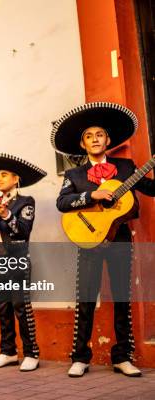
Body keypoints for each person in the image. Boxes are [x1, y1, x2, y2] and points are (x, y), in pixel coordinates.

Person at [53, 102, 155, 378]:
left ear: (108, 140)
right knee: (86, 299)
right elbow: (62, 203)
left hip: (119, 239)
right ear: (83, 144)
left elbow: (150, 189)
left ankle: (122, 357)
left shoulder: (126, 167)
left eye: (100, 134)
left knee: (122, 297)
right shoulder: (73, 174)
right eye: (89, 136)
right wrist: (90, 196)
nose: (95, 139)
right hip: (88, 240)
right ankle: (80, 357)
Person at [0, 153, 46, 372]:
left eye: (4, 175)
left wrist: (6, 216)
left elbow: (23, 230)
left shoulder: (25, 202)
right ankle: (8, 352)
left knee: (21, 307)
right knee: (2, 308)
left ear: (16, 179)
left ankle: (32, 354)